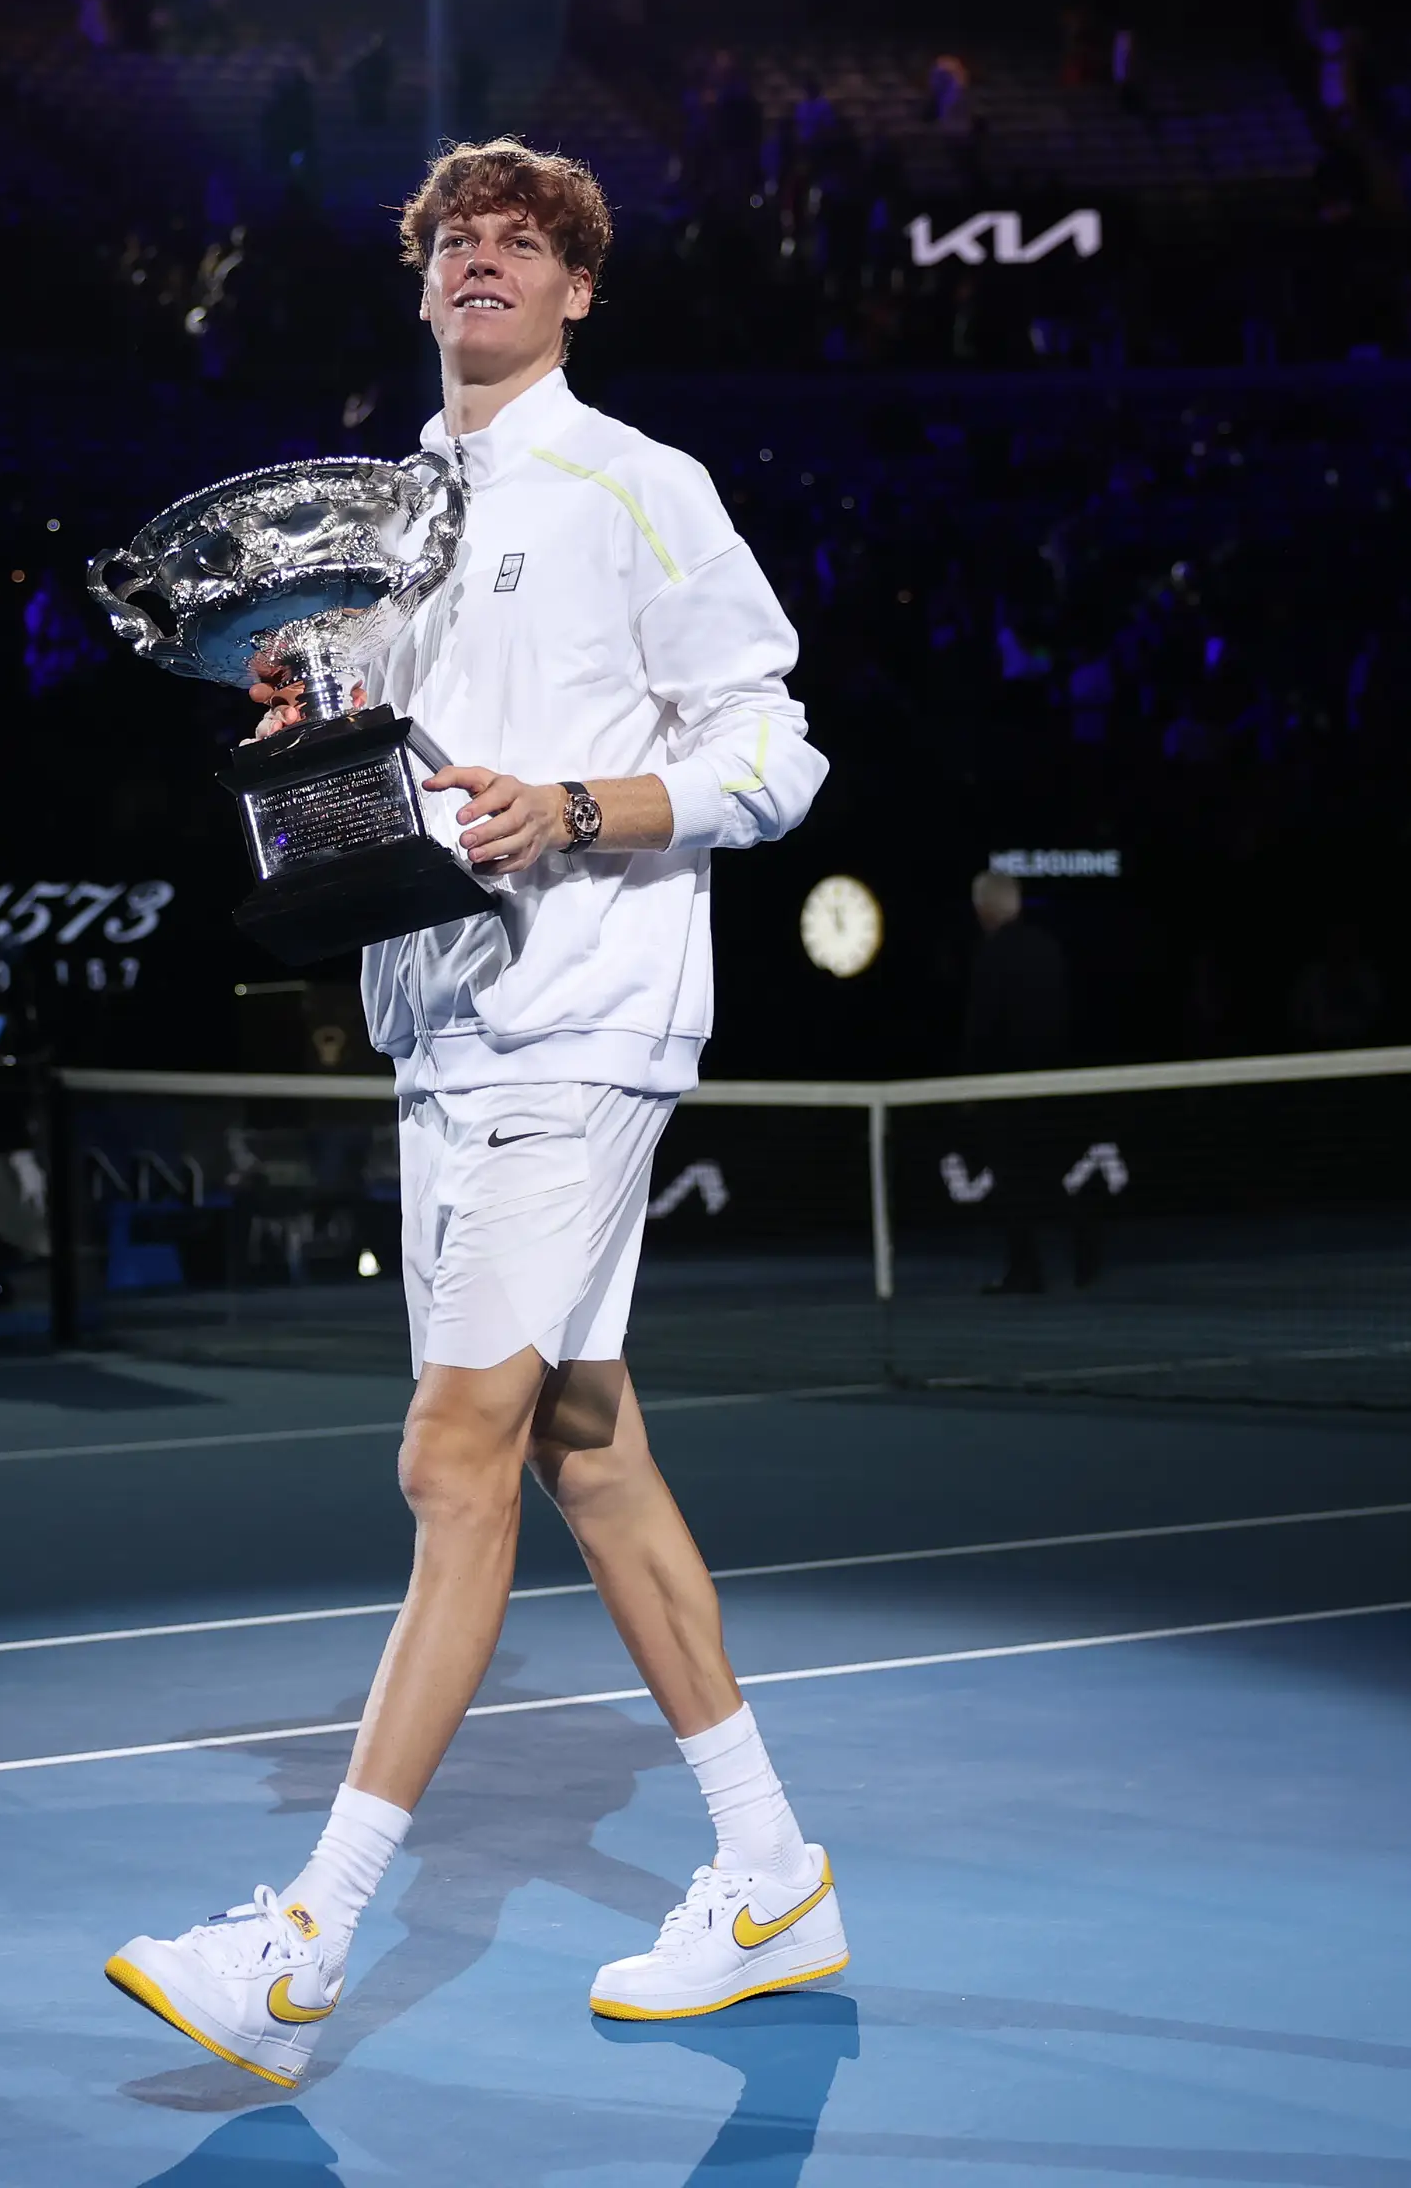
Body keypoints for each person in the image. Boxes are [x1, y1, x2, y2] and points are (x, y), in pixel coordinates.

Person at [105, 141, 839, 2086]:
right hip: (445, 1034)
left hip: (579, 1024)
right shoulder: (397, 526)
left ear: (576, 293)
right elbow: (391, 786)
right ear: (421, 293)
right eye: (458, 244)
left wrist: (577, 807)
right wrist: (313, 717)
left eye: (526, 244)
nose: (486, 262)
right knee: (587, 1451)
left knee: (455, 1462)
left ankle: (303, 1940)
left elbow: (774, 744)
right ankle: (773, 1875)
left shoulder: (640, 483)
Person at [959, 870, 1072, 1293]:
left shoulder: (993, 954)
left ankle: (1027, 1270)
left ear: (985, 907)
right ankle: (1082, 1257)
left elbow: (982, 1026)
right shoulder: (1048, 946)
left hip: (1006, 1092)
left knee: (1015, 1182)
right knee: (1048, 1174)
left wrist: (971, 1088)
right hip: (1051, 1084)